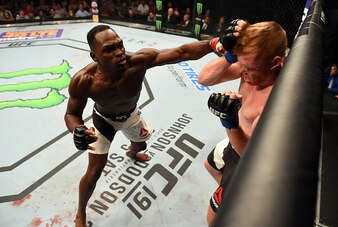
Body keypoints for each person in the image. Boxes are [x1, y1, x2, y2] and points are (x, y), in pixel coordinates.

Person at [64, 24, 215, 227]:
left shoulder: (138, 62)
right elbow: (72, 114)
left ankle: (132, 153)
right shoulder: (84, 81)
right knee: (94, 172)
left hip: (131, 115)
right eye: (109, 49)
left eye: (120, 45)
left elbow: (182, 52)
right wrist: (77, 129)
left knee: (140, 146)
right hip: (103, 120)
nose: (119, 53)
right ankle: (80, 212)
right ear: (94, 56)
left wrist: (214, 43)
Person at [198, 19, 288, 226]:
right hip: (235, 142)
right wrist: (229, 56)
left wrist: (229, 122)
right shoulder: (253, 68)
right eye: (240, 63)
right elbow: (204, 79)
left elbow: (250, 155)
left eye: (249, 67)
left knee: (213, 220)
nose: (242, 72)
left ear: (275, 62)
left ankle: (236, 201)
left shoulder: (274, 102)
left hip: (248, 157)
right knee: (210, 164)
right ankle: (238, 200)